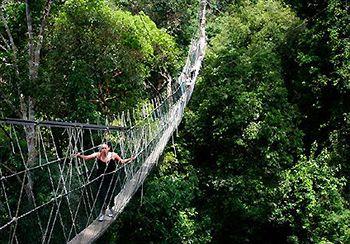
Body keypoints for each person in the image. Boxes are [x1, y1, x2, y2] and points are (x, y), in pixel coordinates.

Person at [76, 142, 135, 221]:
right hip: (101, 178)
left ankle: (110, 208)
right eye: (102, 148)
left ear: (108, 148)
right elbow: (87, 158)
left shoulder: (113, 155)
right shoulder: (98, 155)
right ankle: (102, 212)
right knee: (102, 195)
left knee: (110, 194)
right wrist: (79, 156)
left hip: (111, 178)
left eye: (105, 148)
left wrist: (130, 159)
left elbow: (121, 161)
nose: (103, 150)